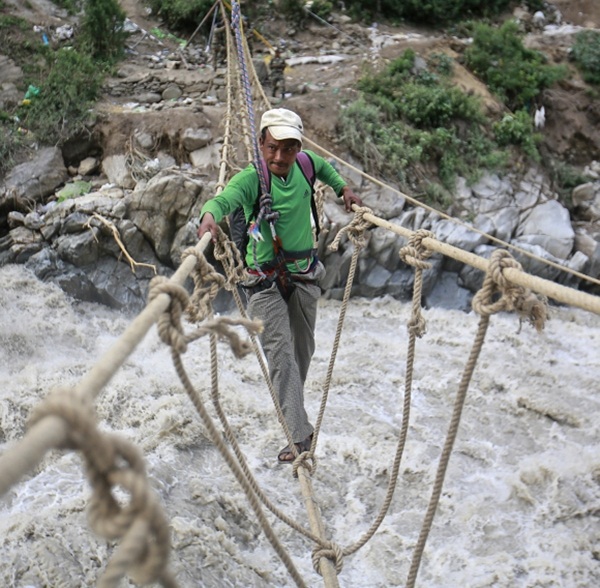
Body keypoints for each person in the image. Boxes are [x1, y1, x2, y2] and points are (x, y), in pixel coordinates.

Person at [198, 108, 362, 462]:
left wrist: (343, 189)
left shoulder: (305, 164)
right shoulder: (251, 179)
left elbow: (323, 167)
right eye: (272, 148)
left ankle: (295, 417)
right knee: (282, 356)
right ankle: (300, 437)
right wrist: (209, 217)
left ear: (297, 148)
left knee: (303, 352)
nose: (279, 157)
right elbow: (223, 199)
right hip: (263, 284)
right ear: (261, 144)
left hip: (303, 276)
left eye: (288, 149)